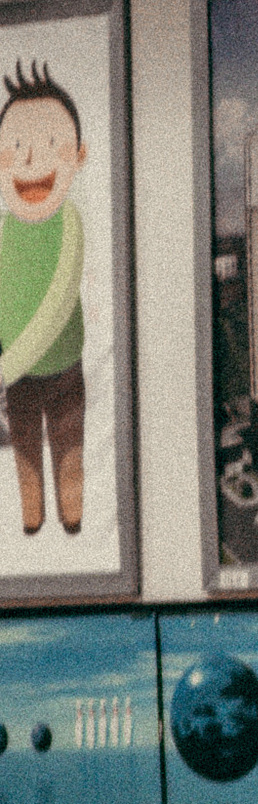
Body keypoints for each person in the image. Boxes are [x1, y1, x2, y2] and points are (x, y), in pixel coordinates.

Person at [0, 57, 86, 536]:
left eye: (50, 145)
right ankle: (32, 521)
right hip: (15, 379)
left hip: (63, 369)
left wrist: (5, 366)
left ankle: (71, 519)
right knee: (26, 452)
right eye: (15, 147)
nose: (31, 160)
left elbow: (58, 300)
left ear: (78, 155)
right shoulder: (4, 230)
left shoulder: (68, 222)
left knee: (69, 448)